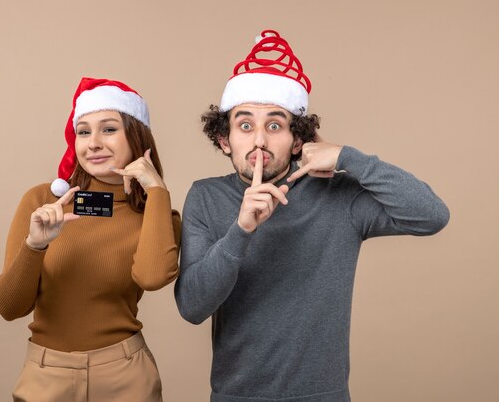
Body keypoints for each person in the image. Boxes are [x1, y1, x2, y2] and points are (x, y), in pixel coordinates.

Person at [174, 30, 450, 402]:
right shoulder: (206, 197)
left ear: (298, 140)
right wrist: (241, 230)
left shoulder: (338, 196)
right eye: (244, 125)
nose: (259, 141)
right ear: (225, 140)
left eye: (275, 125)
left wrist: (349, 158)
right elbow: (192, 306)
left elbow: (432, 215)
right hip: (236, 396)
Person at [0, 77, 180, 402]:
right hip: (46, 375)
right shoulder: (42, 202)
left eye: (108, 129)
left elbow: (151, 277)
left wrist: (157, 190)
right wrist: (34, 245)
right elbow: (9, 308)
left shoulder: (155, 213)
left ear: (136, 138)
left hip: (125, 376)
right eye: (83, 131)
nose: (92, 143)